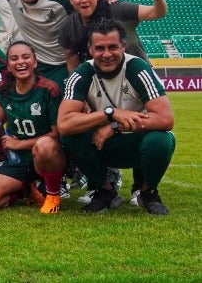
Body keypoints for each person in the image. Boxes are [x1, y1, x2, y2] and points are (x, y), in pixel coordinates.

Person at [59, 20, 176, 215]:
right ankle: (104, 191)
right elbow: (64, 124)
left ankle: (148, 193)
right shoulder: (81, 74)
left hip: (137, 141)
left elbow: (165, 119)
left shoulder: (138, 68)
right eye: (99, 48)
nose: (106, 54)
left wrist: (113, 126)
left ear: (123, 46)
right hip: (102, 145)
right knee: (70, 136)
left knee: (161, 139)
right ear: (90, 49)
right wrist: (110, 113)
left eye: (113, 47)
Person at [0, 42, 66, 214]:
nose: (20, 62)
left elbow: (56, 134)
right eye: (14, 59)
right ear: (8, 66)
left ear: (35, 62)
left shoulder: (48, 89)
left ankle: (52, 196)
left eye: (26, 57)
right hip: (17, 160)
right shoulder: (4, 91)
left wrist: (19, 144)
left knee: (45, 145)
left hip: (44, 157)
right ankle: (25, 190)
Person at [60, 0, 167, 71]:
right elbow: (71, 63)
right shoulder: (69, 26)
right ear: (71, 0)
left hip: (137, 74)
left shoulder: (117, 9)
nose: (83, 0)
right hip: (103, 82)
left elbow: (157, 13)